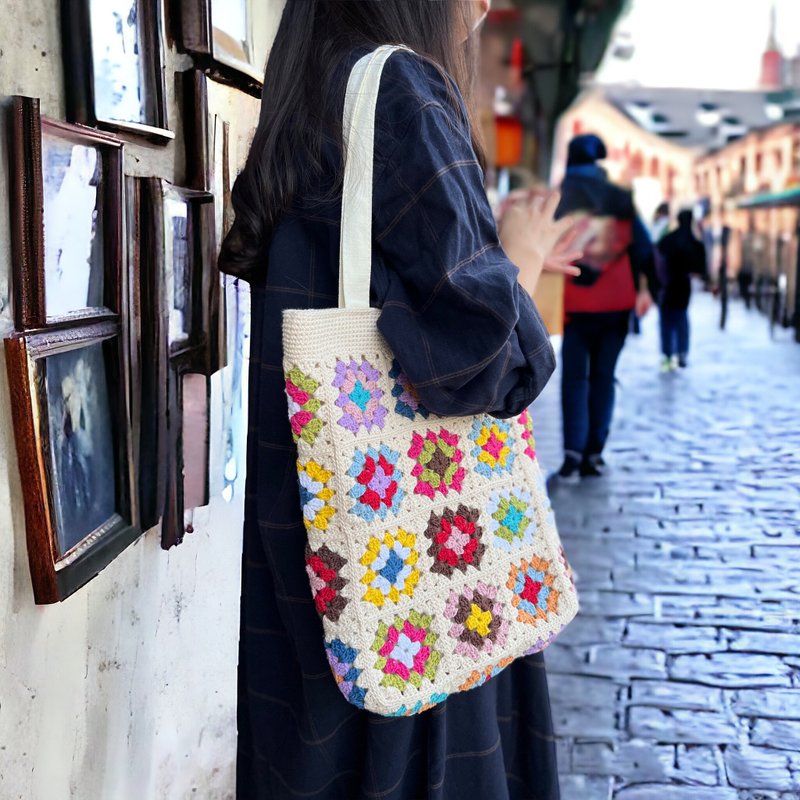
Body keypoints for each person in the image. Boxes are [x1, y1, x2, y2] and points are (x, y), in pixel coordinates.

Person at [218, 2, 582, 798]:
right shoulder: (401, 91)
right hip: (422, 575)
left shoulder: (304, 91)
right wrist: (519, 253)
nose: (485, 3)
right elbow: (489, 365)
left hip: (322, 539)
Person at [555, 134, 657, 483]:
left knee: (574, 379)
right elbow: (644, 248)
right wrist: (651, 289)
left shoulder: (562, 196)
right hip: (617, 303)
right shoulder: (620, 198)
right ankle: (594, 454)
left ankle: (571, 454)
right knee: (603, 376)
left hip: (575, 303)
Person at [657, 209, 707, 370]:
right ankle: (682, 352)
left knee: (667, 320)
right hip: (683, 286)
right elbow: (701, 268)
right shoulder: (694, 243)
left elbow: (656, 257)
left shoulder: (667, 240)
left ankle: (668, 354)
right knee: (681, 318)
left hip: (667, 284)